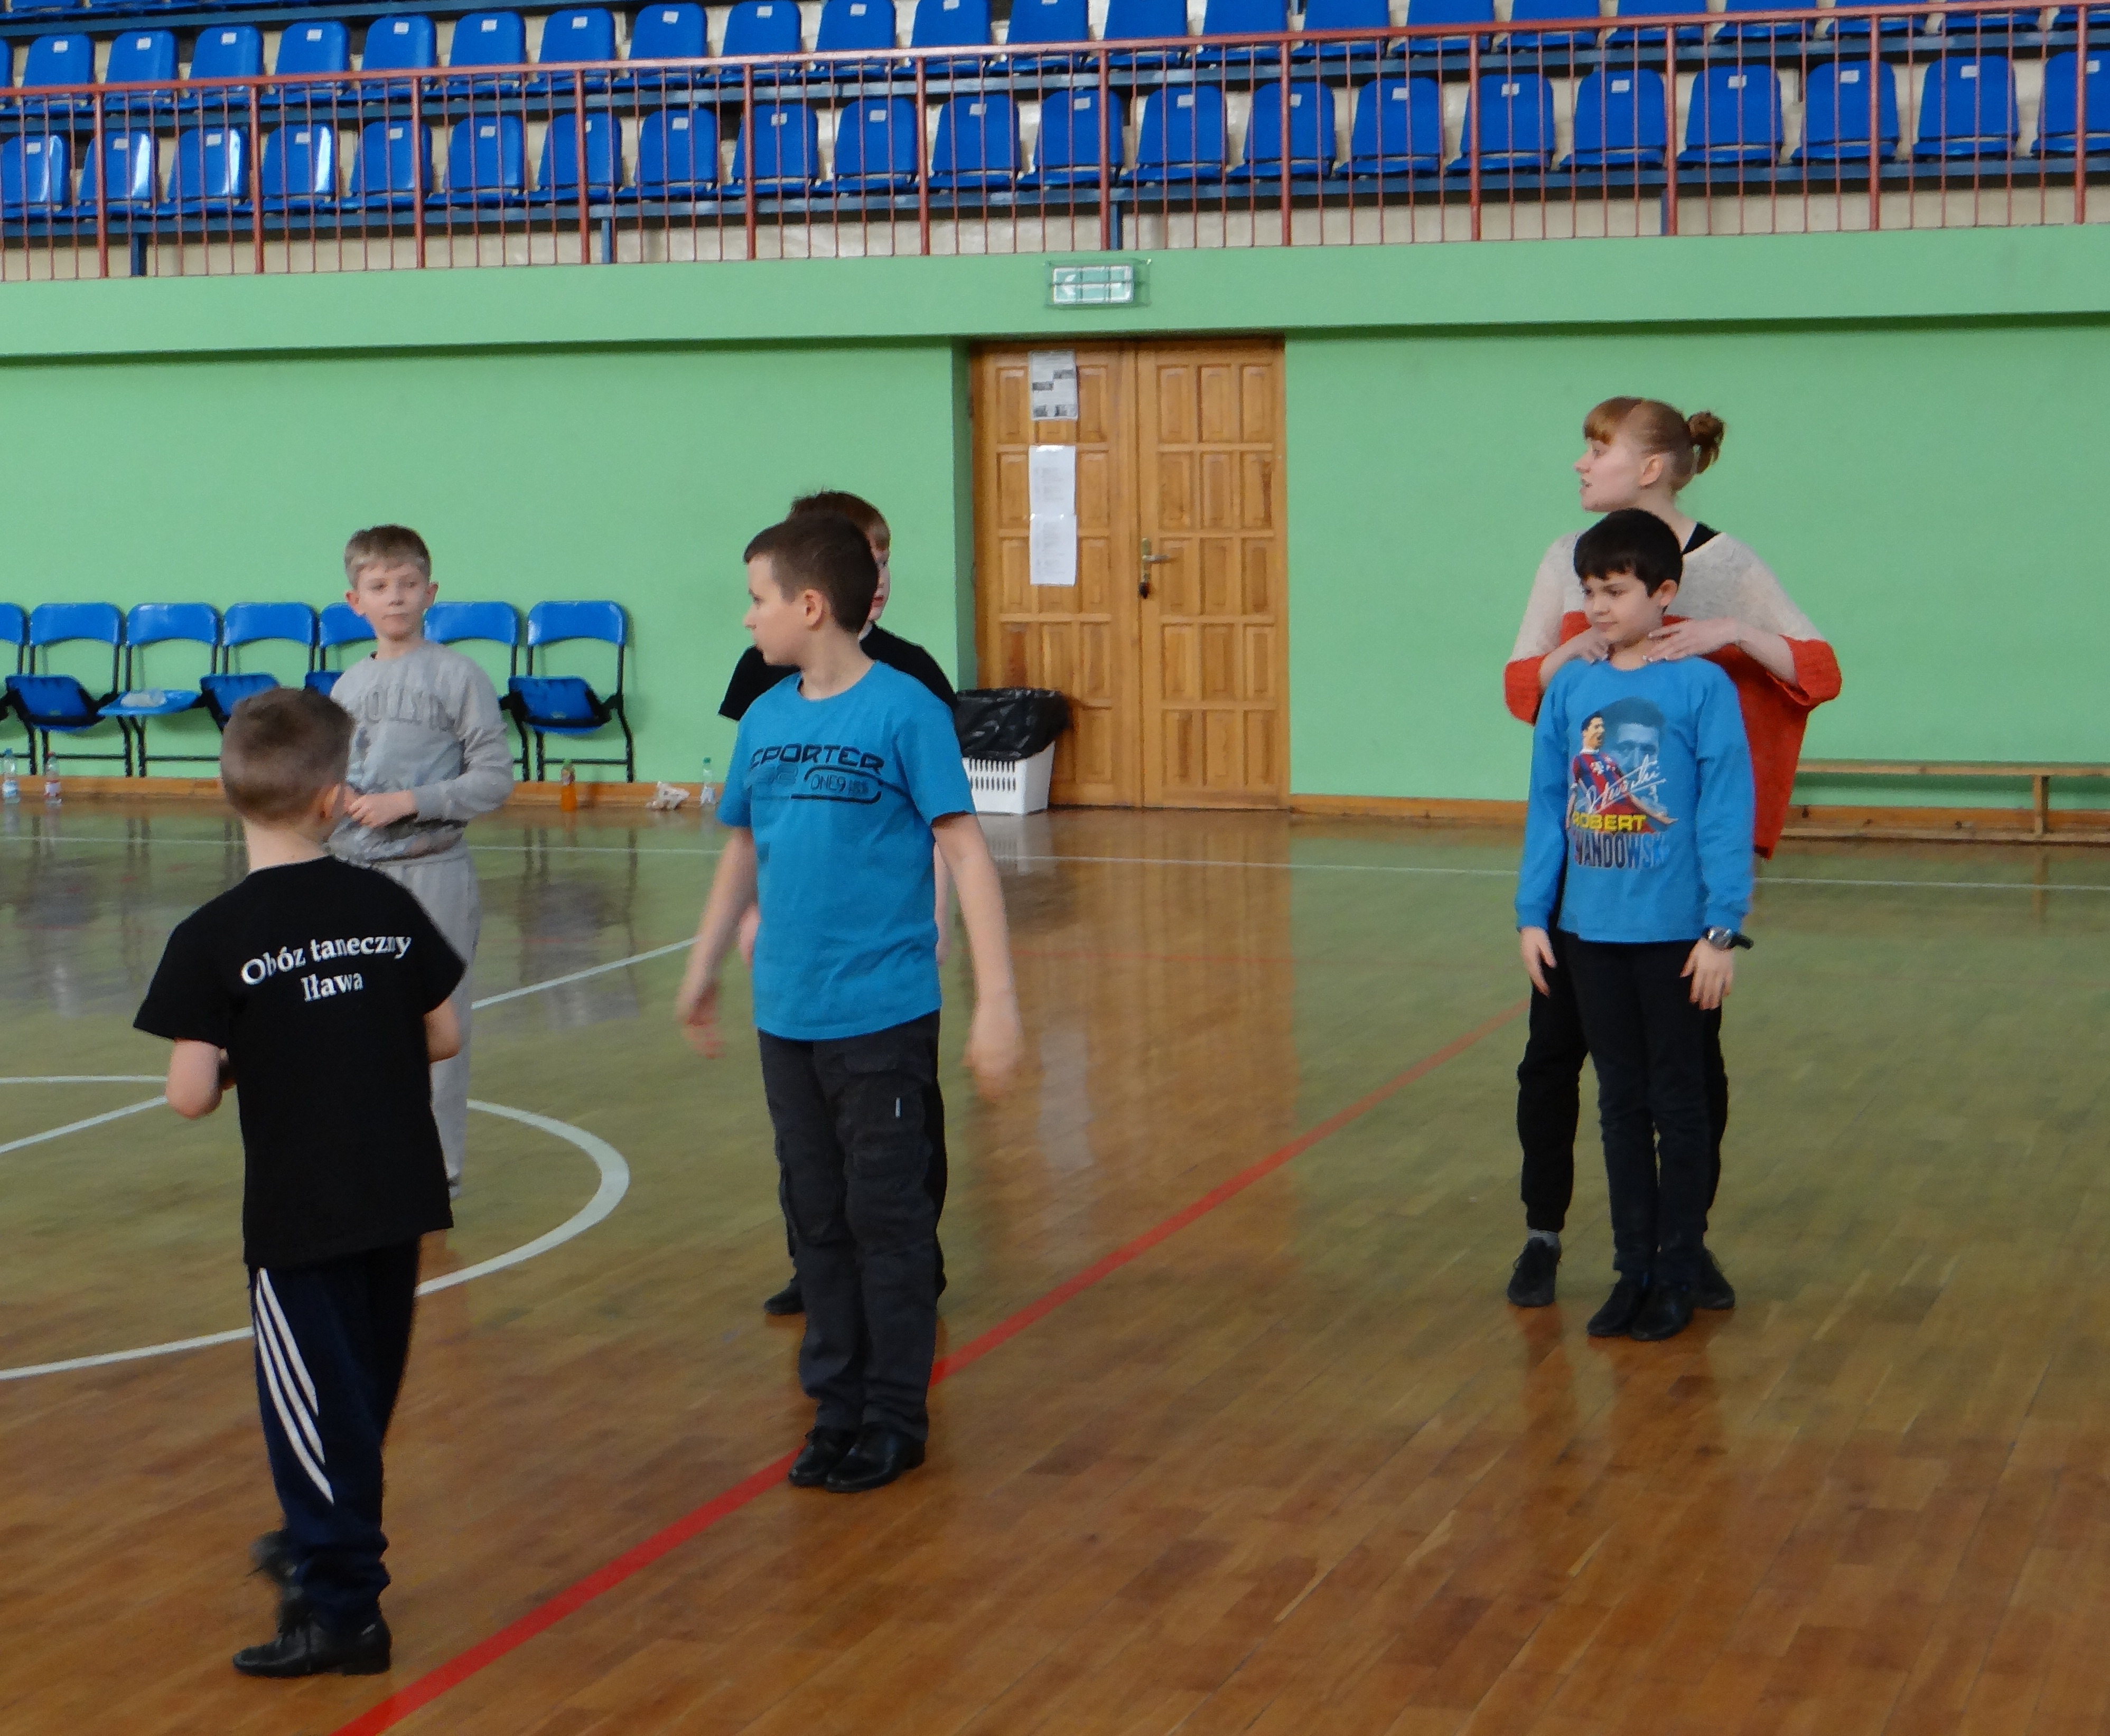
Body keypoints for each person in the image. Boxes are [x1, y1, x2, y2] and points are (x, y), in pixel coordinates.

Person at [675, 511, 1022, 1494]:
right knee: (816, 1220)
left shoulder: (905, 710)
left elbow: (965, 853)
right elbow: (742, 847)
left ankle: (893, 1415)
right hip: (785, 1015)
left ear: (811, 605)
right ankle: (835, 1406)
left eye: (757, 598)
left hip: (882, 1016)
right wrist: (704, 965)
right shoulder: (765, 719)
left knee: (886, 1219)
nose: (747, 617)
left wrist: (996, 1000)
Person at [134, 687, 465, 1676]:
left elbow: (190, 1093)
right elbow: (444, 1034)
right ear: (333, 796)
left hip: (302, 1215)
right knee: (357, 1395)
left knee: (311, 1411)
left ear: (229, 792)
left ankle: (341, 1611)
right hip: (399, 1193)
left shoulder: (214, 933)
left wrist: (261, 1050)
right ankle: (319, 1543)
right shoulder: (385, 904)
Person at [1502, 399, 1842, 1310]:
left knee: (1687, 1075)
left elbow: (1818, 671)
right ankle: (1546, 1231)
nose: (1579, 464)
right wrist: (1581, 649)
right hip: (1587, 873)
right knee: (1557, 1061)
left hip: (1677, 871)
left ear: (1650, 466)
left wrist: (1729, 633)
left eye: (1596, 449)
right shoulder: (1570, 563)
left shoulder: (1723, 566)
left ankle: (1679, 1243)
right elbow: (1522, 692)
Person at [719, 490, 959, 1320]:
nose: (878, 575)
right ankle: (819, 1266)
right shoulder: (767, 683)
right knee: (810, 1143)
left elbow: (942, 827)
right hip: (796, 971)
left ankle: (907, 1258)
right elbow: (764, 808)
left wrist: (938, 919)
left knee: (895, 1129)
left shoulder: (909, 683)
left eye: (885, 560)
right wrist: (751, 910)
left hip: (885, 967)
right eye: (866, 558)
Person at [1516, 510, 1755, 1344]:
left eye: (1614, 591)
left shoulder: (1700, 687)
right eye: (1588, 591)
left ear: (1663, 593)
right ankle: (1632, 1270)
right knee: (1618, 1105)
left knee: (1677, 1104)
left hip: (1674, 936)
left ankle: (1678, 1267)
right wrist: (1532, 914)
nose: (1597, 607)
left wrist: (1719, 928)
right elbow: (1548, 804)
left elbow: (1725, 809)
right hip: (1589, 933)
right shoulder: (1570, 686)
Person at [328, 526, 517, 1199]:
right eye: (380, 586)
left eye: (408, 584)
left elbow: (494, 779)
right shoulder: (347, 685)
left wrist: (410, 801)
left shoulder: (459, 676)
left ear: (430, 592)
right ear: (355, 601)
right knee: (362, 1022)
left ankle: (436, 1175)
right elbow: (331, 779)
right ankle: (372, 1159)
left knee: (439, 1021)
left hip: (434, 874)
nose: (396, 597)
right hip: (358, 878)